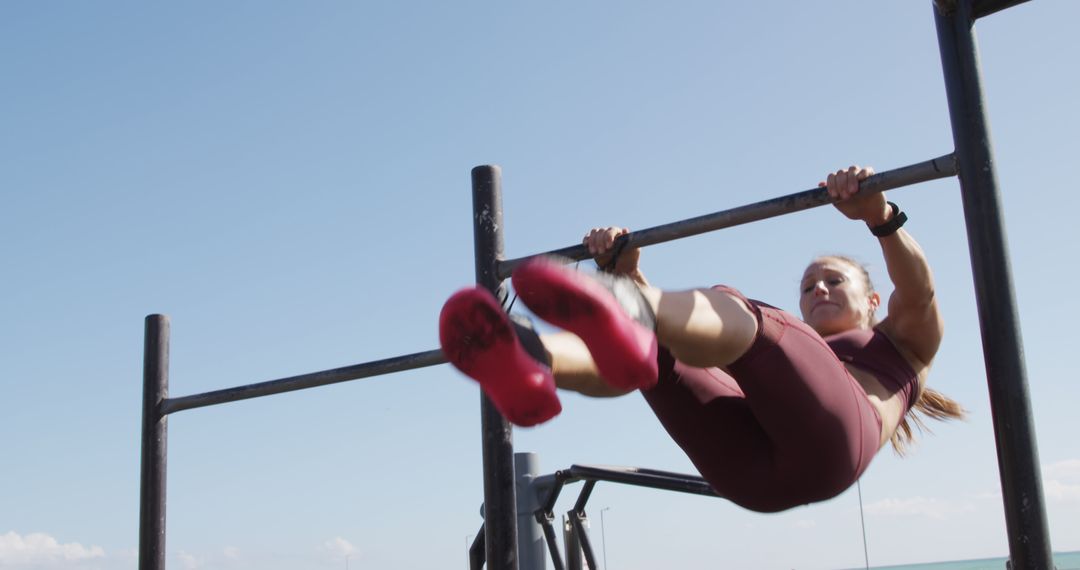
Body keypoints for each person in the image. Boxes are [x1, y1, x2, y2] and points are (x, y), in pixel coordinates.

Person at [438, 165, 964, 513]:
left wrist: (881, 217)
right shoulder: (803, 355)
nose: (818, 289)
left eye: (833, 280)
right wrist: (627, 271)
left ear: (872, 302)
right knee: (657, 356)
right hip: (746, 475)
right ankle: (537, 357)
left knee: (738, 310)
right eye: (808, 285)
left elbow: (919, 290)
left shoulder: (905, 345)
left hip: (834, 444)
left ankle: (630, 306)